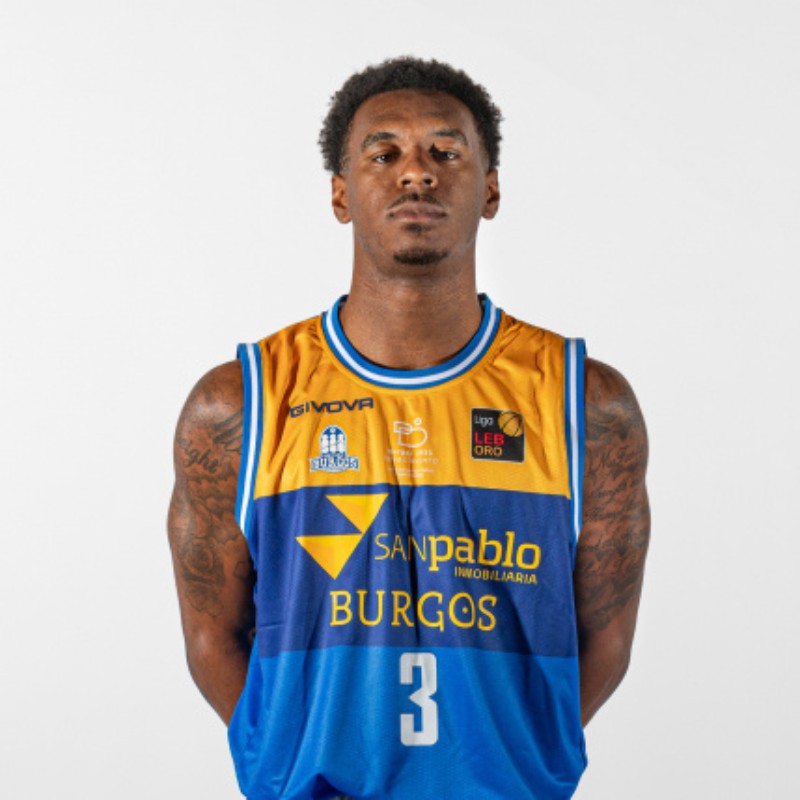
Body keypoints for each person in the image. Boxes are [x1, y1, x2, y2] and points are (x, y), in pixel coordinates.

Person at [168, 56, 650, 800]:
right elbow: (212, 636)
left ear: (490, 189)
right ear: (341, 194)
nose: (416, 172)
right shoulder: (237, 405)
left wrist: (507, 764)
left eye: (445, 152)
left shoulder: (586, 403)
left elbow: (605, 638)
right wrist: (288, 763)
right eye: (383, 153)